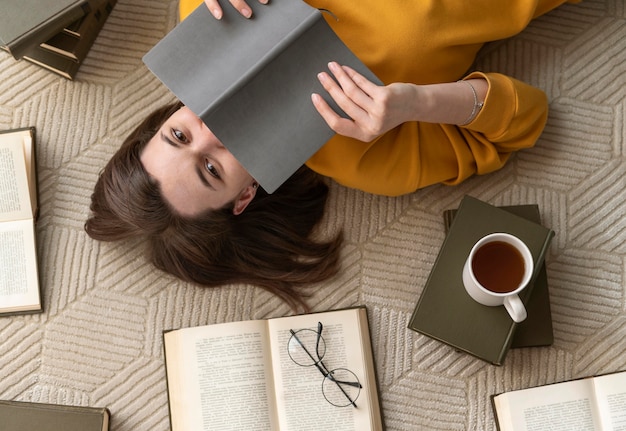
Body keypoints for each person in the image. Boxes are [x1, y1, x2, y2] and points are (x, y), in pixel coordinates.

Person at [86, 0, 577, 311]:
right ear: (245, 195)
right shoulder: (364, 156)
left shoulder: (203, 11)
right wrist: (418, 103)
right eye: (211, 168)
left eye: (178, 134)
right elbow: (526, 120)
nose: (209, 131)